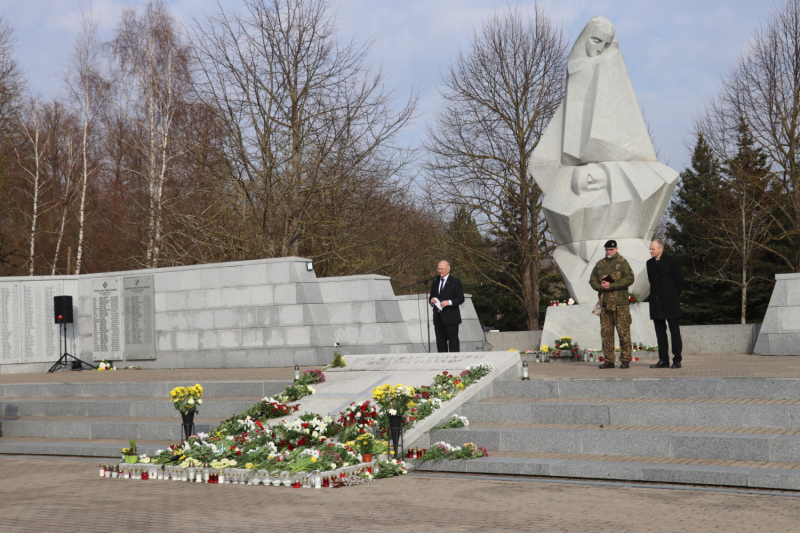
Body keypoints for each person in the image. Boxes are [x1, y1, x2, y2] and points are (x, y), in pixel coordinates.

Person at [589, 240, 634, 369]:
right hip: (605, 303)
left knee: (623, 332)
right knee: (606, 333)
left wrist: (612, 285)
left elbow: (630, 279)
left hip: (620, 303)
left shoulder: (623, 262)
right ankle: (609, 360)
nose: (609, 252)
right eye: (607, 249)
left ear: (616, 249)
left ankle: (625, 359)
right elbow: (592, 279)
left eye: (611, 249)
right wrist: (600, 287)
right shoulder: (600, 264)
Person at [647, 239, 685, 369]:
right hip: (656, 303)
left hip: (670, 302)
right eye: (650, 249)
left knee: (674, 331)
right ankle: (663, 359)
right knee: (660, 332)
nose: (650, 251)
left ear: (660, 249)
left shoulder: (672, 261)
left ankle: (677, 359)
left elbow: (680, 281)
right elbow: (652, 282)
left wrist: (673, 296)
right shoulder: (649, 263)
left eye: (653, 249)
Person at [429, 260, 464, 353]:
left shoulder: (455, 282)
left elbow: (461, 298)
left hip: (451, 318)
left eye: (442, 269)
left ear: (448, 269)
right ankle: (443, 366)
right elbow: (431, 297)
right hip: (438, 318)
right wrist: (432, 301)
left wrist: (448, 302)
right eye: (438, 269)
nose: (440, 271)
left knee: (453, 344)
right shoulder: (435, 282)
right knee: (441, 345)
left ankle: (454, 364)